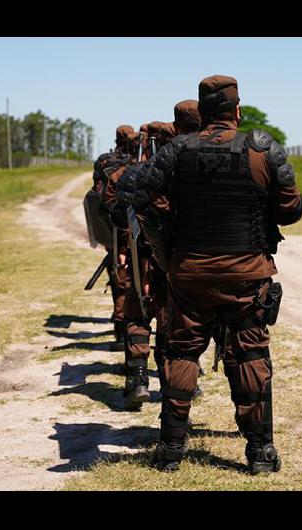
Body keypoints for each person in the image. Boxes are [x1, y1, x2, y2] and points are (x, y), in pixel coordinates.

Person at [137, 75, 302, 473]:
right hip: (246, 276)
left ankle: (171, 451)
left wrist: (172, 224)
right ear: (237, 110)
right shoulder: (263, 151)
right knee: (250, 356)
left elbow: (143, 197)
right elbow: (291, 211)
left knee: (180, 353)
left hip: (189, 274)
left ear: (204, 111)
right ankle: (260, 452)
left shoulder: (175, 151)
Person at [113, 101, 203, 410]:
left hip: (144, 257)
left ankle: (138, 377)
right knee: (171, 325)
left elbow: (116, 215)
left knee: (138, 314)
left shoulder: (136, 173)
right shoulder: (196, 168)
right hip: (181, 260)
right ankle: (178, 388)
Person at [95, 125, 138, 350]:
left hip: (117, 231)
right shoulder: (145, 163)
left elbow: (99, 196)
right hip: (137, 234)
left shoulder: (106, 163)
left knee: (120, 280)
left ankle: (122, 333)